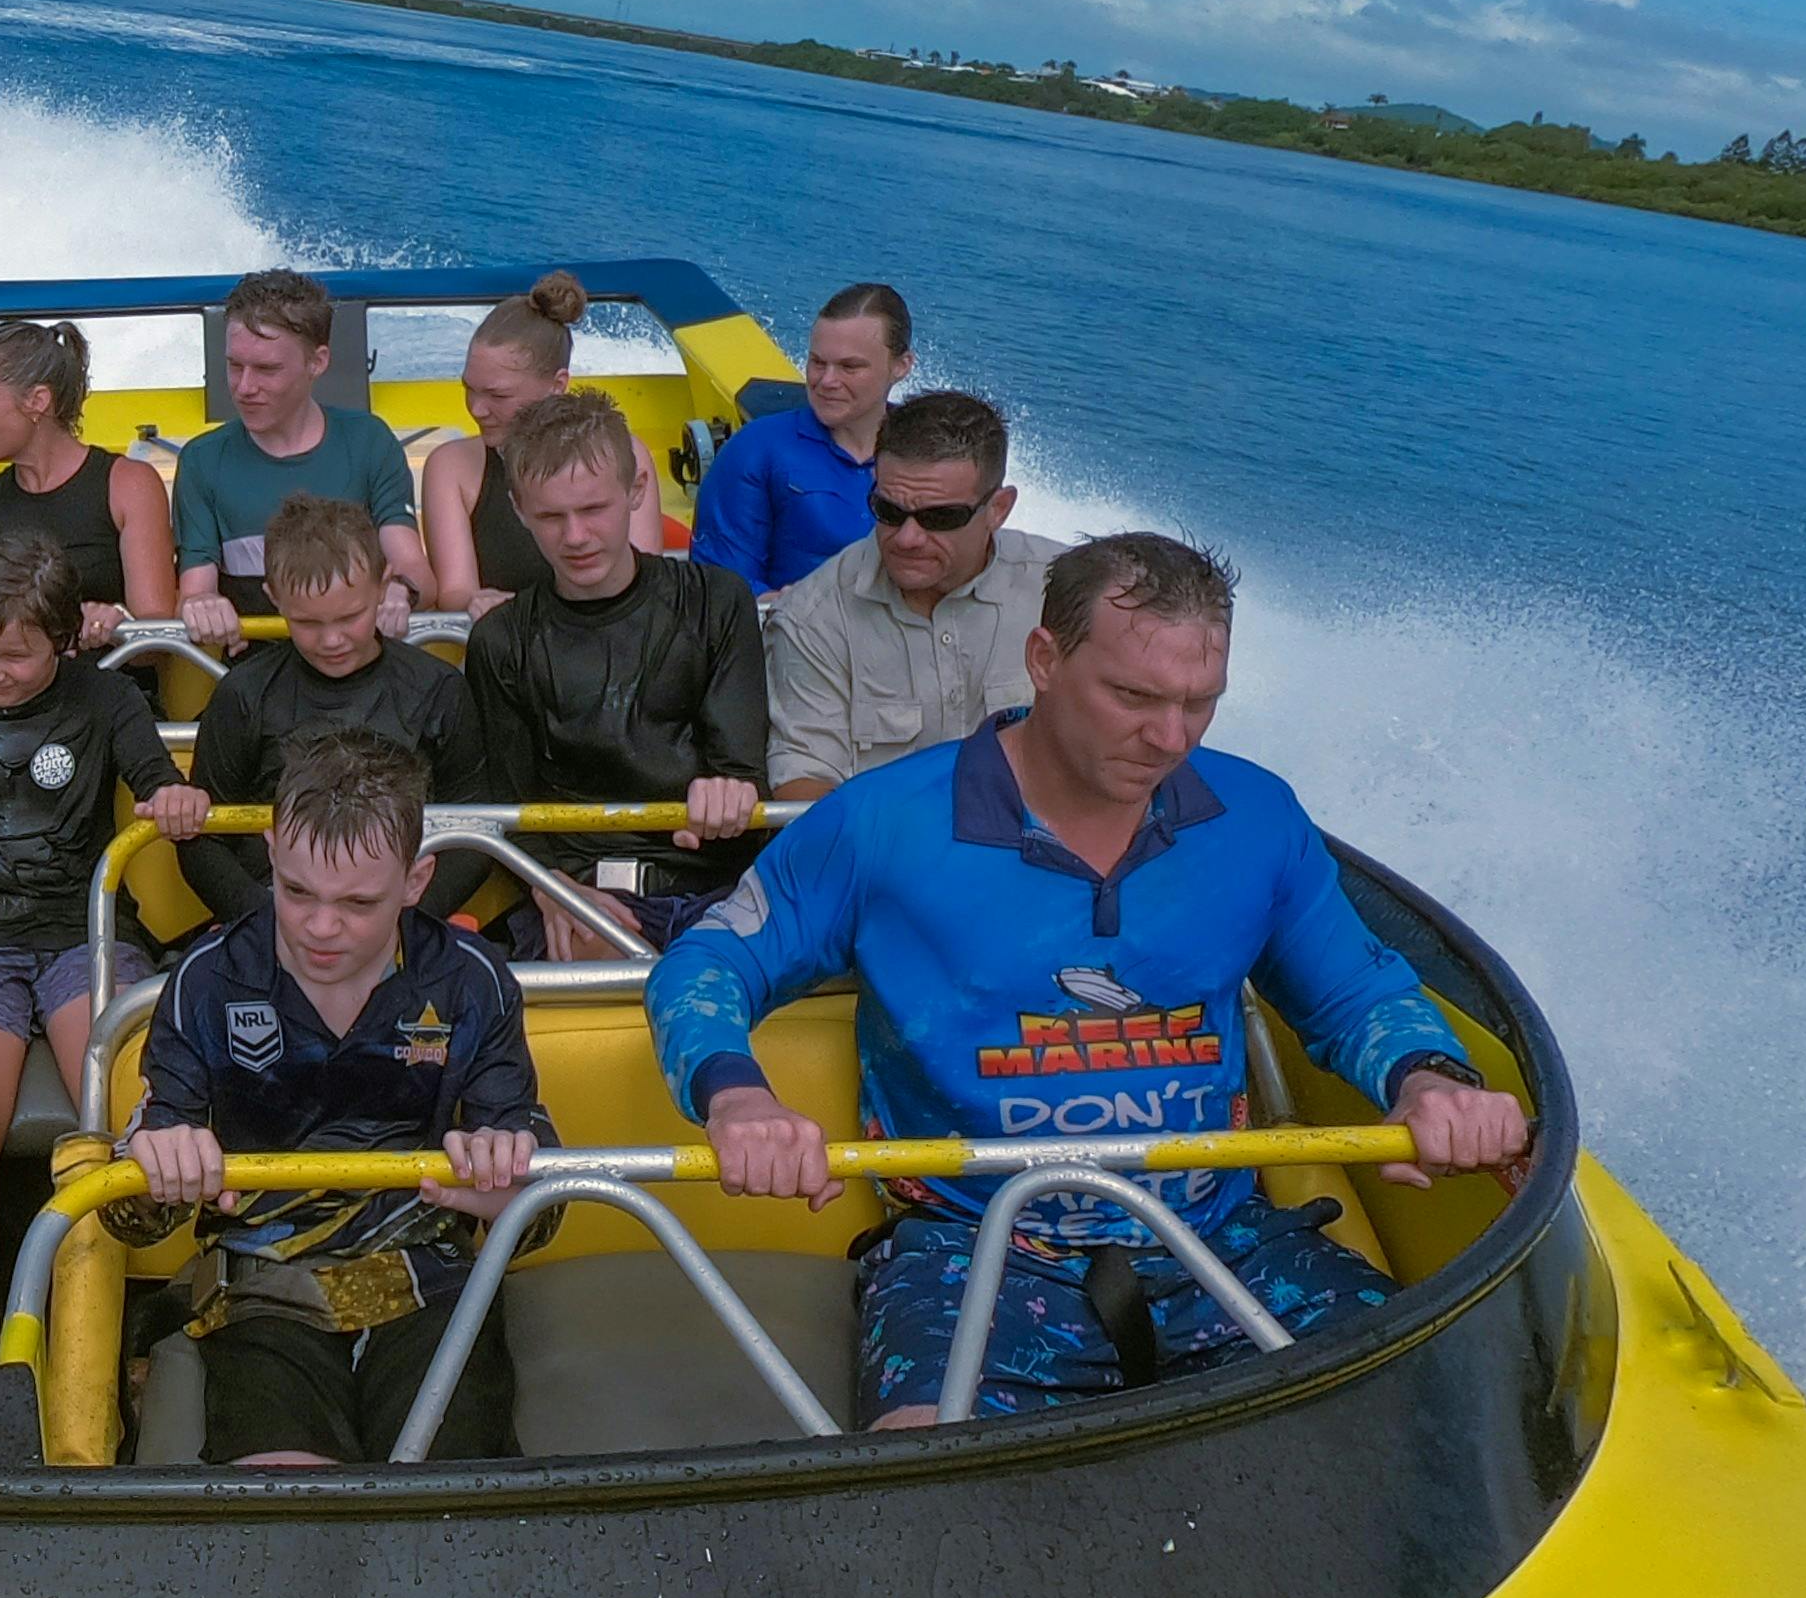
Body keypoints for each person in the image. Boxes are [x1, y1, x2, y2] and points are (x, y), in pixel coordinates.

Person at [651, 534, 1531, 1423]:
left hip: (1221, 1236)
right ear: (1043, 660)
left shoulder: (1257, 817)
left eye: (1200, 704)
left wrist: (1432, 1079)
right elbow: (712, 958)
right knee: (927, 1485)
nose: (1169, 738)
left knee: (1446, 1415)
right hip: (972, 1252)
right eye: (1133, 696)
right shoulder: (881, 822)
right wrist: (737, 1097)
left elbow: (1356, 992)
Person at [128, 729, 550, 1465]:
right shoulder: (206, 978)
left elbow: (542, 1198)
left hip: (431, 1278)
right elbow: (132, 1218)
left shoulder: (471, 982)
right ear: (269, 850)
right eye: (296, 892)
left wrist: (507, 1190)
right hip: (261, 1286)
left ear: (417, 883)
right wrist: (158, 1167)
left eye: (358, 903)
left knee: (453, 1506)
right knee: (288, 1513)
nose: (321, 927)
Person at [0, 535, 209, 1346]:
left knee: (130, 1121)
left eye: (19, 657)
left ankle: (118, 1338)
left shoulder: (102, 699)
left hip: (79, 932)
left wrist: (171, 798)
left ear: (64, 643)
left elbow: (154, 774)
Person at [460, 389, 769, 955]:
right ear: (519, 510)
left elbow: (740, 766)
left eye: (593, 509)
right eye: (551, 516)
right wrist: (553, 888)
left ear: (636, 491)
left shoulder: (718, 601)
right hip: (580, 895)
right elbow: (505, 800)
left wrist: (729, 800)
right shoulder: (500, 640)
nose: (575, 537)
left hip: (715, 886)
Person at [184, 496, 496, 927]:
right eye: (308, 623)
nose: (332, 641)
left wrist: (401, 922)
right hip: (273, 913)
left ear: (383, 585)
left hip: (402, 912)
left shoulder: (437, 689)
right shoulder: (243, 694)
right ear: (273, 597)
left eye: (351, 616)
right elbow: (202, 838)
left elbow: (477, 832)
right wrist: (269, 924)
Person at [766, 389, 1068, 802]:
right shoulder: (812, 617)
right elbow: (803, 783)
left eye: (939, 517)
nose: (908, 538)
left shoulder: (1071, 593)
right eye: (889, 512)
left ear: (999, 508)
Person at [171, 267, 430, 649]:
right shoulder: (202, 461)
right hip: (256, 677)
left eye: (267, 369)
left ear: (317, 362)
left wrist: (399, 592)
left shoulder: (369, 441)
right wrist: (202, 606)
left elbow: (414, 570)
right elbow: (195, 591)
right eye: (234, 366)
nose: (244, 387)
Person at [421, 271, 669, 613]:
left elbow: (643, 577)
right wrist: (485, 604)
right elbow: (455, 591)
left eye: (498, 394)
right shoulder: (452, 467)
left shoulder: (627, 454)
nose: (477, 409)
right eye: (469, 389)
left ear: (557, 384)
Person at [0, 317, 175, 646]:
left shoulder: (129, 484)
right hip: (7, 686)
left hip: (111, 687)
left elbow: (157, 632)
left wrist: (117, 623)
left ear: (37, 401)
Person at [691, 280, 911, 595]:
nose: (827, 381)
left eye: (850, 367)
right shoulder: (757, 449)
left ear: (901, 365)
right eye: (817, 363)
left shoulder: (927, 457)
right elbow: (717, 586)